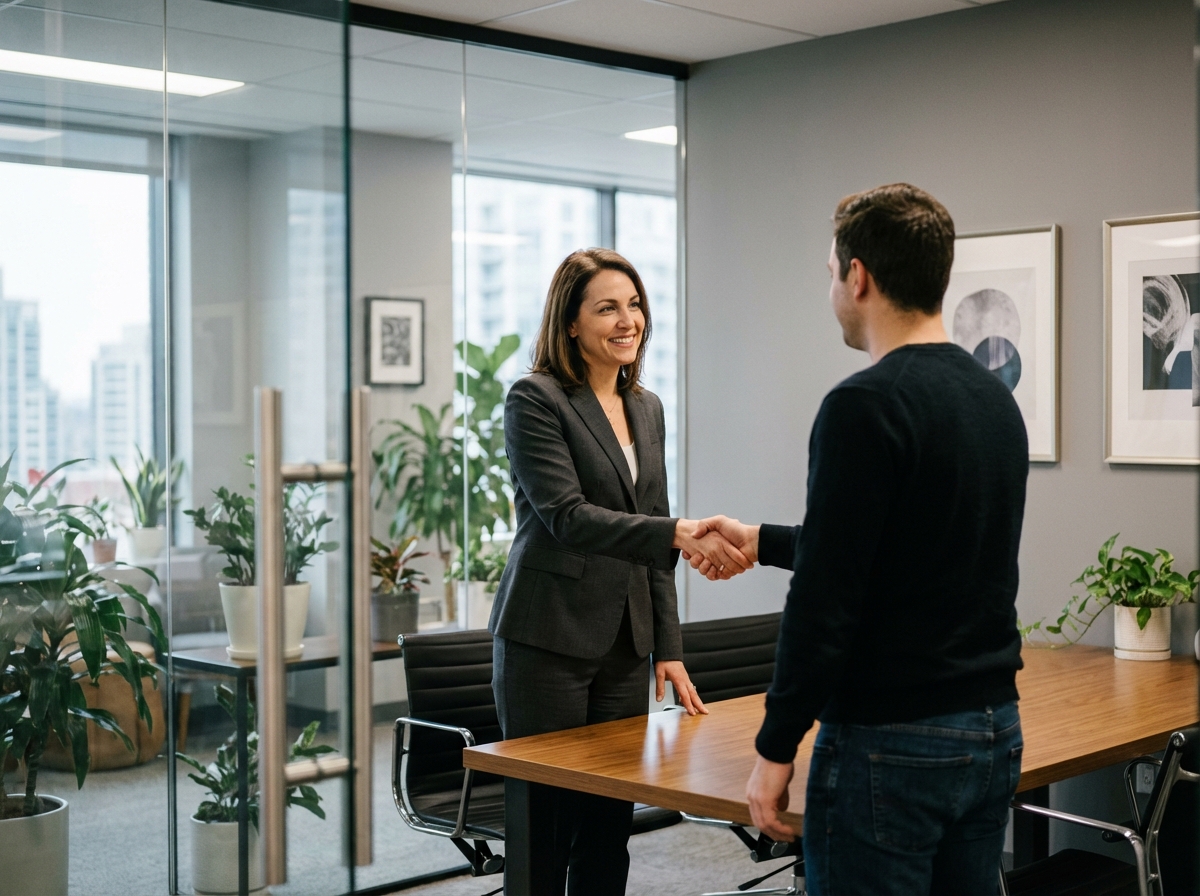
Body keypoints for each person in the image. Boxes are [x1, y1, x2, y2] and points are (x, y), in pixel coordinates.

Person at [690, 184, 1029, 895]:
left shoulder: (864, 404)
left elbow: (826, 599)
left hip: (891, 740)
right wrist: (761, 539)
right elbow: (905, 549)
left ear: (858, 276)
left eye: (830, 274)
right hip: (992, 729)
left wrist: (776, 746)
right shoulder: (994, 401)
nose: (831, 294)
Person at [490, 247, 750, 896]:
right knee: (546, 828)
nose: (627, 320)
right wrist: (677, 532)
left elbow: (651, 529)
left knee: (608, 830)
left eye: (634, 305)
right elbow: (567, 516)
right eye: (607, 308)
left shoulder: (647, 407)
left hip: (625, 646)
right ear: (570, 322)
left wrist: (670, 646)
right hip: (547, 639)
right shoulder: (536, 399)